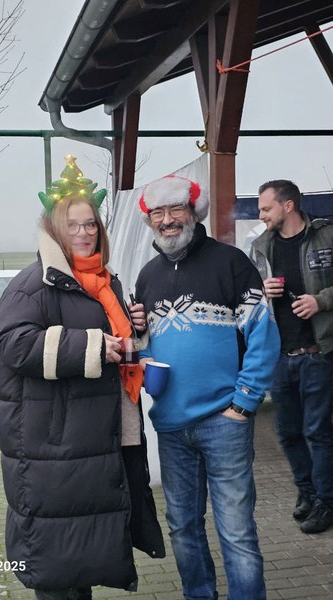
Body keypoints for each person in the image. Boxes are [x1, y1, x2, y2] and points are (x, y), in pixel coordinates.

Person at [0, 157, 165, 600]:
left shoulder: (104, 282)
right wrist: (91, 346)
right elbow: (13, 345)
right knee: (60, 564)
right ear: (54, 229)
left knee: (80, 555)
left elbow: (112, 339)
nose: (85, 232)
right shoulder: (34, 284)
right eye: (73, 225)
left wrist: (132, 327)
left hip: (93, 438)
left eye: (90, 224)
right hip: (56, 447)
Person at [134, 174, 280, 600]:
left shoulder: (230, 262)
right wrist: (142, 345)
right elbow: (146, 344)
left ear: (193, 212)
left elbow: (262, 333)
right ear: (149, 221)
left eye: (175, 209)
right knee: (182, 528)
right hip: (171, 424)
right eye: (157, 213)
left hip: (225, 421)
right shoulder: (147, 276)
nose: (167, 220)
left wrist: (244, 403)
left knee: (236, 530)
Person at [250, 179, 333, 534]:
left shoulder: (326, 236)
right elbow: (247, 298)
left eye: (266, 208)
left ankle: (326, 501)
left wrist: (321, 301)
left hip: (318, 353)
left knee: (318, 432)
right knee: (288, 433)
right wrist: (261, 291)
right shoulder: (260, 247)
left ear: (288, 206)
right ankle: (308, 493)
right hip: (280, 356)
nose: (261, 215)